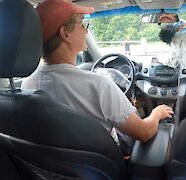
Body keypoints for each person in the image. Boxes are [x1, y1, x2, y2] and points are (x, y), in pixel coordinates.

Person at [21, 0, 174, 156]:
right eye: (82, 24)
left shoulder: (27, 85)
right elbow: (144, 133)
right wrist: (157, 113)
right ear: (65, 33)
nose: (86, 31)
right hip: (106, 162)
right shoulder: (99, 86)